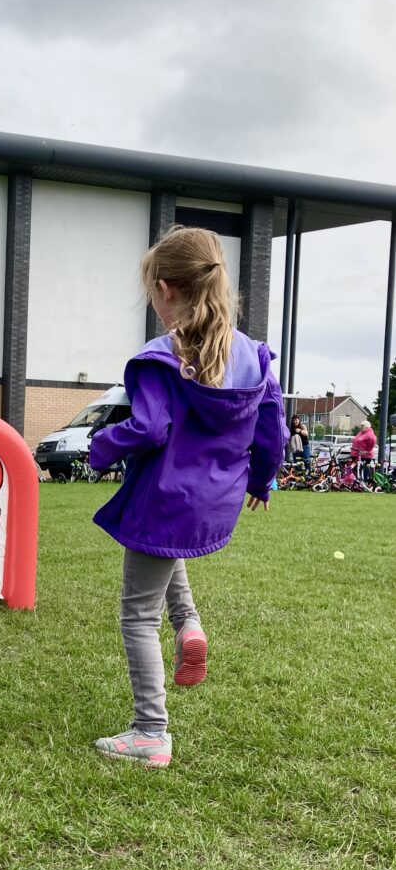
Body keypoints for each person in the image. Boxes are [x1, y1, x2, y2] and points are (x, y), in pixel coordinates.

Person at [88, 226, 287, 767]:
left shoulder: (161, 358)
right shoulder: (253, 357)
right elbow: (274, 430)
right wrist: (262, 480)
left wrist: (102, 444)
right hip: (212, 502)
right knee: (164, 552)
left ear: (164, 289)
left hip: (164, 496)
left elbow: (150, 430)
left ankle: (150, 730)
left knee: (136, 615)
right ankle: (191, 626)